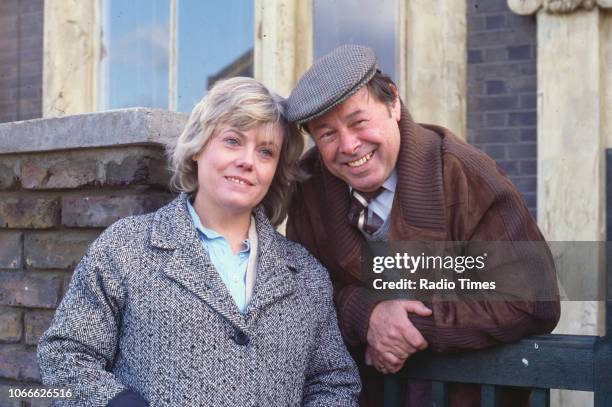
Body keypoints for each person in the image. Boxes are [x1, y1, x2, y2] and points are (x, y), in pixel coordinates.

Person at [37, 77, 361, 406]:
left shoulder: (306, 274)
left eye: (265, 151)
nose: (248, 161)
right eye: (233, 141)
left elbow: (333, 380)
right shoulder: (126, 248)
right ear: (198, 148)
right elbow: (64, 355)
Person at [285, 45, 560, 406]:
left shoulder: (467, 173)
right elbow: (303, 293)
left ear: (393, 103)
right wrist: (367, 314)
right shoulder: (308, 191)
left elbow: (530, 299)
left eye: (359, 122)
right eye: (327, 134)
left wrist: (406, 327)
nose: (350, 146)